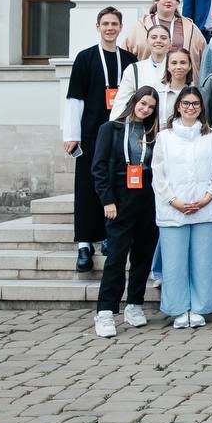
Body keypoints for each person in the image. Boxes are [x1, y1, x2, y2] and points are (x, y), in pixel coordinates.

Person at [64, 7, 139, 271]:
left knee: (115, 185)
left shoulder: (129, 60)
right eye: (105, 23)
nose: (110, 28)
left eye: (114, 24)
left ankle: (109, 235)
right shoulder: (85, 58)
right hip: (90, 133)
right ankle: (84, 244)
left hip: (120, 133)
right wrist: (71, 135)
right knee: (87, 187)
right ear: (98, 27)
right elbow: (74, 98)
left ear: (120, 27)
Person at [90, 87, 160, 338]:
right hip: (120, 197)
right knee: (117, 257)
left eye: (151, 107)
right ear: (134, 102)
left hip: (148, 197)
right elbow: (98, 167)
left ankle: (134, 304)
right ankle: (105, 311)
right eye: (143, 103)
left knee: (143, 255)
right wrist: (107, 200)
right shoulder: (111, 129)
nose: (145, 109)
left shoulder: (154, 133)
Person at [151, 87, 212, 329]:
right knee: (174, 263)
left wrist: (207, 197)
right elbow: (158, 174)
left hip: (206, 207)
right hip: (173, 208)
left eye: (195, 103)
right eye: (186, 103)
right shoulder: (165, 137)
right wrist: (174, 201)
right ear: (178, 106)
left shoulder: (211, 135)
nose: (190, 107)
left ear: (201, 107)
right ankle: (179, 309)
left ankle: (201, 307)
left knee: (204, 262)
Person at [122, 0, 208, 79]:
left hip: (181, 81)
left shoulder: (190, 27)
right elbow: (125, 55)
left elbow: (204, 56)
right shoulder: (140, 25)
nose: (168, 1)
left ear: (177, 3)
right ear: (156, 1)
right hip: (147, 81)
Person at [109, 24, 170, 120]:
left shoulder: (177, 68)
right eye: (154, 37)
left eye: (163, 38)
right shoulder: (134, 69)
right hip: (142, 125)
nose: (158, 40)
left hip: (170, 125)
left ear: (170, 43)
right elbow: (121, 102)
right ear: (147, 41)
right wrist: (113, 126)